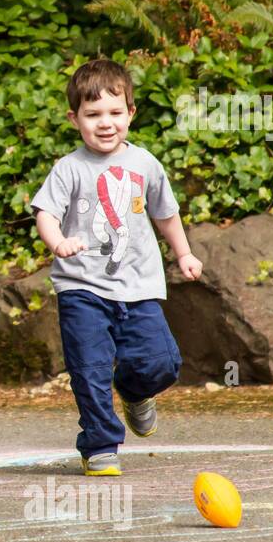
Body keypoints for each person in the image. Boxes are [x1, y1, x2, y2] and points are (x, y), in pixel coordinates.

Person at [30, 59, 203, 476]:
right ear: (75, 119)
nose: (105, 123)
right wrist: (59, 242)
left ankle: (135, 391)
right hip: (81, 287)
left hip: (139, 287)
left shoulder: (145, 164)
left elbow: (166, 214)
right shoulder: (68, 168)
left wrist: (183, 254)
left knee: (161, 362)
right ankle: (100, 444)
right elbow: (45, 214)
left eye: (114, 112)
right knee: (88, 369)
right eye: (92, 115)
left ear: (131, 113)